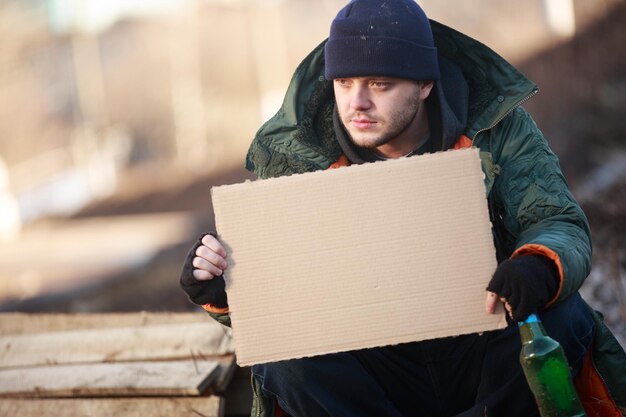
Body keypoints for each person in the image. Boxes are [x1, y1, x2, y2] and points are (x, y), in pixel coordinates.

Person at [180, 1, 626, 416]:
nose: (357, 103)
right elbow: (287, 309)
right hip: (374, 365)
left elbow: (556, 220)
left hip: (482, 342)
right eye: (344, 83)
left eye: (379, 84)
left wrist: (536, 266)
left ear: (425, 83)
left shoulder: (495, 129)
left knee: (563, 317)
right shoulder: (303, 161)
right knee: (287, 364)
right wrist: (226, 294)